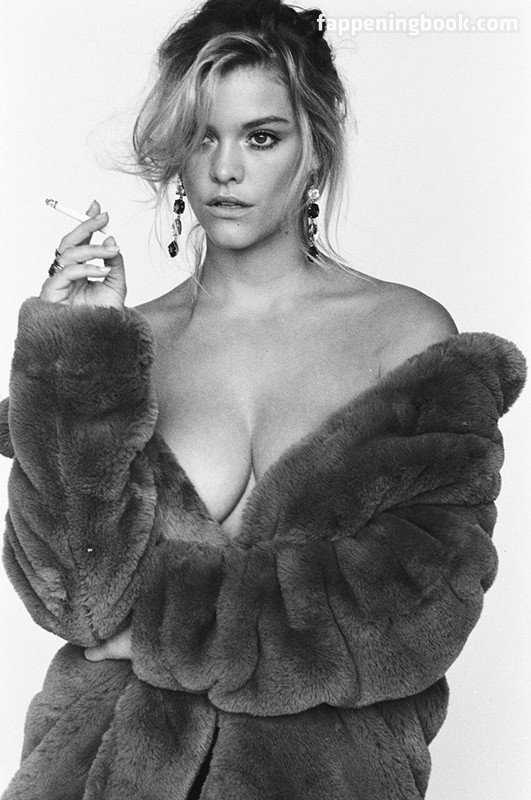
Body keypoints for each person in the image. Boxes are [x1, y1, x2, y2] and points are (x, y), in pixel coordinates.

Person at [0, 1, 525, 798]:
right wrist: (77, 355)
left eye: (260, 137)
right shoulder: (125, 345)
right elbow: (71, 598)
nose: (224, 169)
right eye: (202, 136)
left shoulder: (402, 335)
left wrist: (160, 635)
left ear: (314, 146)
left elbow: (415, 610)